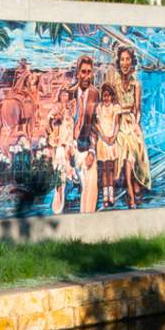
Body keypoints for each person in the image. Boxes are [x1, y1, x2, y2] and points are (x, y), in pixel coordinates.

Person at [114, 46, 151, 209]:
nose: (125, 63)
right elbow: (113, 107)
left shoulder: (136, 84)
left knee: (136, 147)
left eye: (127, 59)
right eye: (122, 59)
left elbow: (138, 109)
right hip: (119, 122)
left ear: (132, 62)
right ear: (119, 62)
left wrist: (136, 124)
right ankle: (131, 190)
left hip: (131, 120)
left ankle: (135, 182)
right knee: (127, 148)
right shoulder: (115, 84)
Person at [71, 55, 99, 213]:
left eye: (89, 72)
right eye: (83, 72)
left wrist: (92, 151)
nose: (87, 76)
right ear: (78, 73)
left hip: (87, 148)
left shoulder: (95, 94)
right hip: (71, 148)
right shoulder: (69, 93)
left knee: (90, 189)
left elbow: (96, 124)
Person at [47, 87, 76, 214]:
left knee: (67, 170)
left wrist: (70, 144)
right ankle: (58, 194)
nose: (65, 97)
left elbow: (72, 129)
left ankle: (62, 195)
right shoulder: (56, 109)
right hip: (59, 144)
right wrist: (53, 134)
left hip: (68, 144)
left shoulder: (70, 111)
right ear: (60, 96)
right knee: (59, 170)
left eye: (67, 95)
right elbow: (49, 123)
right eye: (63, 95)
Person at [94, 82, 120, 208]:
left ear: (111, 96)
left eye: (108, 96)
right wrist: (104, 138)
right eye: (104, 96)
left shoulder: (115, 108)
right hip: (103, 141)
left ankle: (111, 195)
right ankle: (105, 196)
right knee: (104, 169)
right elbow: (97, 124)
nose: (106, 98)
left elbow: (117, 124)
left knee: (111, 169)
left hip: (112, 140)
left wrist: (113, 137)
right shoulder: (99, 108)